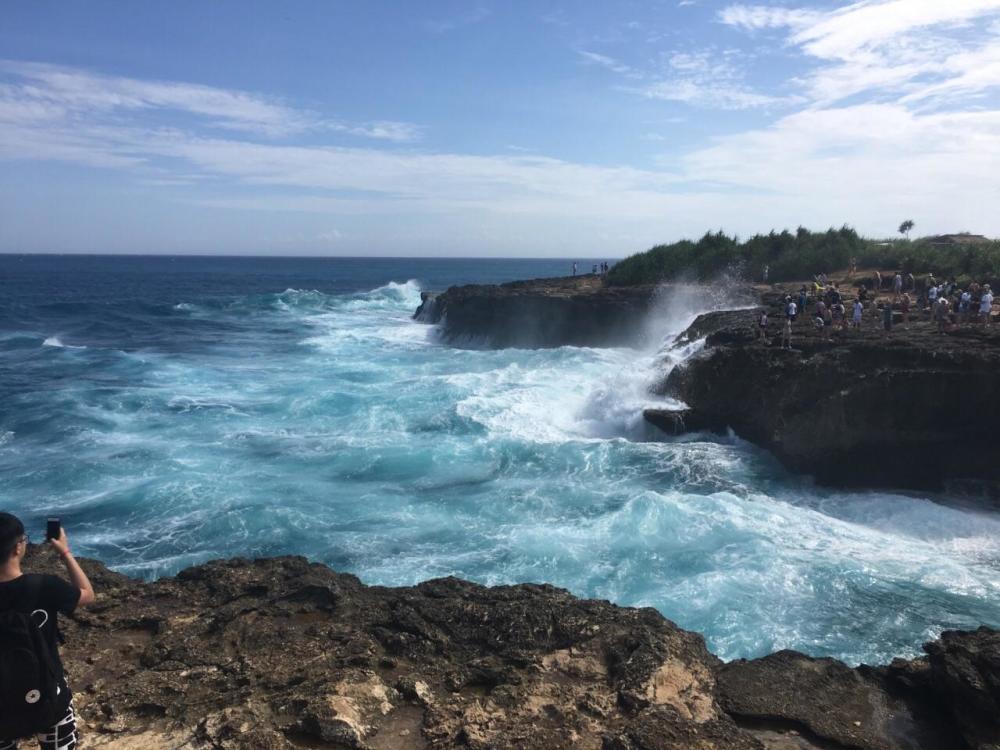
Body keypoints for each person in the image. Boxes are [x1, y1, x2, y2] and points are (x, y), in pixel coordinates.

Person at [0, 514, 95, 750]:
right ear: (18, 548)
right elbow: (87, 593)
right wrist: (65, 551)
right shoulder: (44, 586)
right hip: (49, 697)